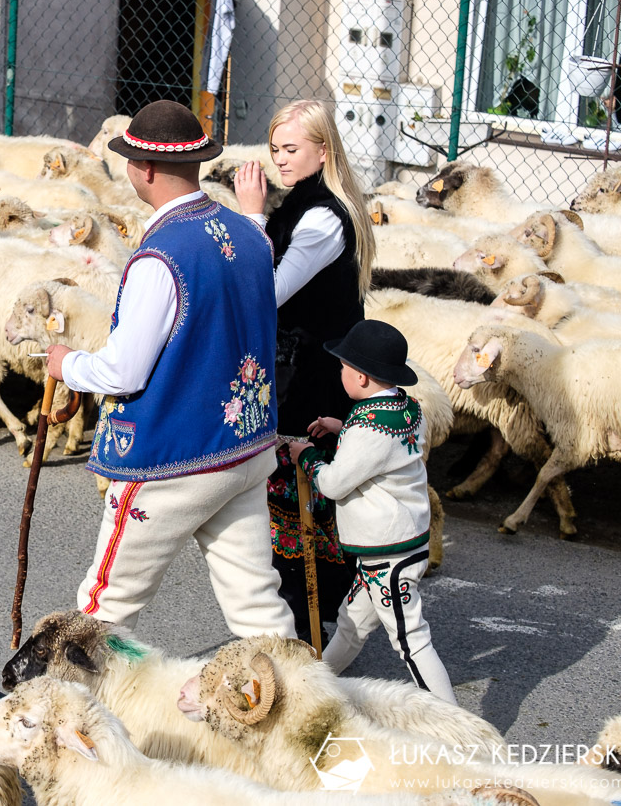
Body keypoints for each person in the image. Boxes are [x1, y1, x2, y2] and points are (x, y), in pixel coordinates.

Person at [44, 99, 295, 638]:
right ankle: (305, 712)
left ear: (145, 169)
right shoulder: (252, 234)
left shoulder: (160, 258)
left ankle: (61, 710)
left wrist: (68, 365)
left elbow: (124, 372)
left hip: (174, 462)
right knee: (258, 608)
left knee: (103, 608)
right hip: (245, 450)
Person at [232, 99, 377, 645]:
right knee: (285, 505)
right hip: (296, 366)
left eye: (291, 149)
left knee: (303, 502)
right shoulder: (301, 205)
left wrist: (251, 216)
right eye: (274, 149)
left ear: (323, 149)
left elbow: (267, 292)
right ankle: (301, 628)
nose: (280, 159)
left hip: (314, 377)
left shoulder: (322, 217)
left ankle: (313, 634)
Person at [287, 320, 455, 702]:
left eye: (343, 367)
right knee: (351, 625)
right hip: (398, 541)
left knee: (412, 641)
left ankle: (457, 728)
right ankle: (314, 692)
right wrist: (343, 428)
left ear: (361, 378)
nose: (340, 371)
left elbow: (332, 483)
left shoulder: (369, 428)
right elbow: (381, 453)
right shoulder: (407, 409)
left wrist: (308, 455)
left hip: (387, 551)